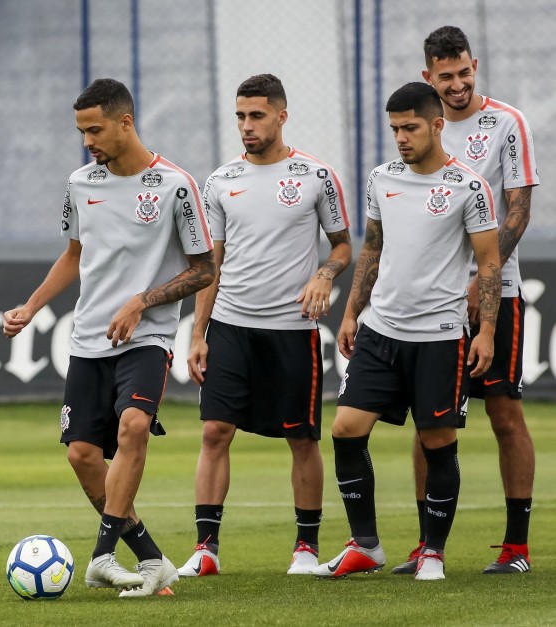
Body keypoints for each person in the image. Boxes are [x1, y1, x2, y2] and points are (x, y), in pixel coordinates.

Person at [2, 78, 215, 597]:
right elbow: (74, 255)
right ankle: (148, 557)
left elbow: (204, 269)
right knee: (81, 455)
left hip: (148, 337)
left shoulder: (175, 185)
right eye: (81, 131)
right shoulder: (81, 183)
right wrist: (31, 306)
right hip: (88, 340)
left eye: (94, 129)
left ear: (126, 122)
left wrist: (142, 301)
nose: (87, 141)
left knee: (134, 426)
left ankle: (101, 555)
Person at [313, 81, 501, 581]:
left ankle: (432, 553)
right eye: (394, 128)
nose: (401, 137)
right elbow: (371, 248)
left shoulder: (469, 186)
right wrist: (352, 312)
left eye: (410, 127)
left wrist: (484, 334)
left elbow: (488, 263)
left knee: (437, 441)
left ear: (437, 125)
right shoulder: (381, 178)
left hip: (439, 335)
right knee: (345, 430)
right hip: (381, 330)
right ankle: (366, 545)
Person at [175, 74, 351, 579]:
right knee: (214, 433)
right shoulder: (220, 181)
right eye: (240, 116)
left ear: (280, 115)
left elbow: (342, 246)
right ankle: (205, 549)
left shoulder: (316, 176)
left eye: (256, 115)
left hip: (291, 330)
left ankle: (305, 549)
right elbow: (212, 264)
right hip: (231, 326)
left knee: (302, 438)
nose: (246, 126)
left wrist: (324, 273)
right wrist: (198, 333)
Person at [390, 25, 540, 576]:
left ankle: (516, 547)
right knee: (428, 422)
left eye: (464, 74)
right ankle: (428, 546)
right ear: (428, 74)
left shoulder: (506, 123)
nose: (457, 85)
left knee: (504, 412)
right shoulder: (418, 126)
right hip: (430, 301)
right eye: (445, 76)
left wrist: (483, 278)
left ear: (474, 66)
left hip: (495, 293)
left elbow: (519, 209)